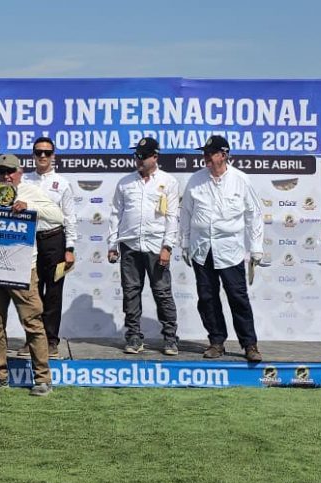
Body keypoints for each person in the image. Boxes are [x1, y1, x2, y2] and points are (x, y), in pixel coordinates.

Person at [0, 153, 65, 396]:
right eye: (2, 172)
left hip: (23, 268)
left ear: (19, 172)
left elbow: (58, 217)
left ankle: (43, 378)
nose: (6, 176)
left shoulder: (30, 191)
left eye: (10, 171)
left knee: (33, 322)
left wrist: (30, 207)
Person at [180, 135, 263, 362]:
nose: (205, 157)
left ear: (224, 155)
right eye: (204, 153)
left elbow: (254, 215)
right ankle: (216, 342)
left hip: (230, 249)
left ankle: (250, 344)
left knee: (237, 296)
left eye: (210, 153)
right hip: (202, 249)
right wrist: (185, 243)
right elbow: (185, 213)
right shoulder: (195, 180)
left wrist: (256, 247)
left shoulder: (241, 180)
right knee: (207, 297)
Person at [107, 137, 180, 355]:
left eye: (143, 156)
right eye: (136, 155)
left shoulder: (169, 182)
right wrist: (112, 244)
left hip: (156, 246)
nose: (139, 159)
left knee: (162, 292)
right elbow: (115, 214)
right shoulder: (125, 182)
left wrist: (168, 246)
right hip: (129, 244)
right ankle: (133, 336)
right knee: (130, 292)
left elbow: (172, 217)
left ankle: (170, 338)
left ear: (154, 157)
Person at [20, 136, 77, 359]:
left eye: (47, 152)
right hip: (29, 241)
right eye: (38, 152)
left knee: (53, 292)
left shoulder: (62, 183)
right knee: (31, 293)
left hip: (54, 240)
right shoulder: (23, 181)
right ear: (33, 155)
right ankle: (32, 340)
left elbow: (69, 217)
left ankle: (51, 341)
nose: (42, 156)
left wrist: (69, 248)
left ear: (53, 156)